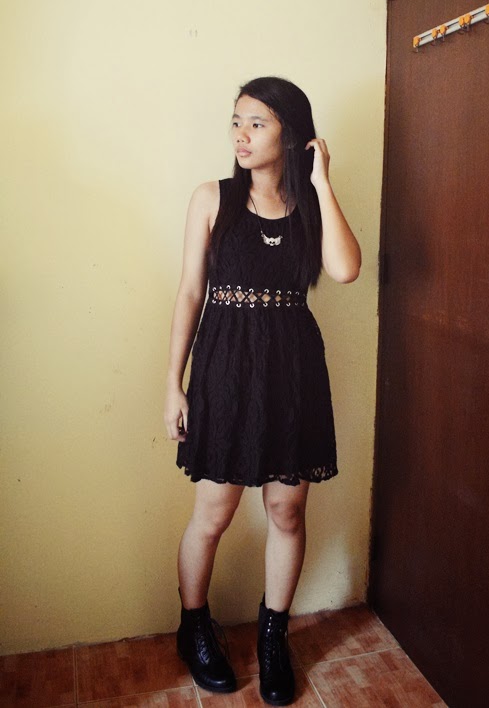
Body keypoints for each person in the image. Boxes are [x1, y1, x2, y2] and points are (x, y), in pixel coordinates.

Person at [163, 76, 361, 705]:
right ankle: (194, 628)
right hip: (223, 370)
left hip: (293, 373)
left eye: (257, 123)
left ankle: (274, 635)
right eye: (237, 121)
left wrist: (322, 183)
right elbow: (190, 292)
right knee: (213, 514)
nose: (241, 135)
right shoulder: (212, 198)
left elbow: (346, 269)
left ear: (290, 134)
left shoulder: (310, 205)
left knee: (287, 511)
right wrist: (173, 384)